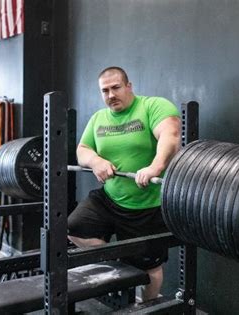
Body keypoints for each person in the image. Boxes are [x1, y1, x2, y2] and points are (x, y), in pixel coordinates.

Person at [67, 66, 181, 301]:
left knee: (150, 269)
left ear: (129, 86)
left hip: (147, 205)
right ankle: (119, 267)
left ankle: (147, 305)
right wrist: (96, 161)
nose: (111, 95)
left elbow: (170, 135)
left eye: (116, 88)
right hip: (110, 199)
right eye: (105, 90)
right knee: (72, 228)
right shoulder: (99, 118)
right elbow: (82, 150)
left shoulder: (153, 106)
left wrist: (155, 167)